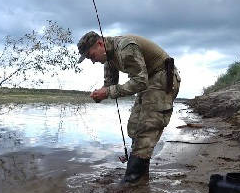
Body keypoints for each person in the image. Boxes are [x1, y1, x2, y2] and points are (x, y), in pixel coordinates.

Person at [77, 31, 181, 184]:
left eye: (91, 56)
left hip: (163, 77)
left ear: (100, 44)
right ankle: (140, 174)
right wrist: (100, 94)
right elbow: (110, 86)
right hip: (148, 81)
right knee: (134, 126)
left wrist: (108, 92)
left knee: (147, 127)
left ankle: (132, 181)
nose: (92, 61)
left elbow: (140, 82)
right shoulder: (108, 59)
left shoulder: (125, 48)